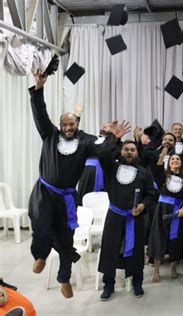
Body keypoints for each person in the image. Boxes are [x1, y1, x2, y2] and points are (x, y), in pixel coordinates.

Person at [27, 73, 110, 298]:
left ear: (77, 124)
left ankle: (64, 277)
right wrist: (39, 88)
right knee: (42, 230)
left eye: (71, 123)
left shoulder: (83, 145)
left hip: (67, 199)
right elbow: (40, 113)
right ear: (60, 124)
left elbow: (103, 150)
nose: (67, 127)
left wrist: (114, 138)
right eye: (64, 123)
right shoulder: (50, 135)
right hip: (44, 193)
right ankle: (41, 255)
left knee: (66, 239)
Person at [98, 136, 156, 301]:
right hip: (114, 216)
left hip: (134, 218)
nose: (129, 152)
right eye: (126, 149)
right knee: (110, 250)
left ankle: (137, 282)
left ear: (137, 152)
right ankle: (108, 285)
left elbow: (151, 195)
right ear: (121, 151)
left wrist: (143, 206)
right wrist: (114, 137)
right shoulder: (112, 168)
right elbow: (102, 154)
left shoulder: (144, 173)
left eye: (132, 150)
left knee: (137, 251)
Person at [148, 152, 183, 282]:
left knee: (175, 240)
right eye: (172, 159)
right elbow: (156, 170)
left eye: (178, 159)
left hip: (176, 213)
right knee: (158, 238)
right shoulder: (163, 177)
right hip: (161, 211)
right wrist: (162, 156)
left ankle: (173, 266)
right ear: (169, 162)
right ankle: (156, 269)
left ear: (181, 163)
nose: (175, 160)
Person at [77, 121, 115, 204]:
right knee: (83, 198)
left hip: (106, 173)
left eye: (108, 126)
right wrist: (78, 115)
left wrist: (114, 136)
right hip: (88, 171)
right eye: (103, 125)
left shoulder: (114, 142)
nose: (104, 126)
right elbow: (77, 132)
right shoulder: (91, 138)